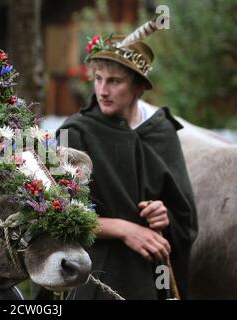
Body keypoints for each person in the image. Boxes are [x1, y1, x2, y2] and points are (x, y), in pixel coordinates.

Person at [56, 31, 198, 299]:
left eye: (114, 81)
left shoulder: (162, 131)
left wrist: (163, 214)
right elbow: (56, 215)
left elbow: (184, 219)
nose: (103, 90)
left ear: (139, 87)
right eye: (98, 79)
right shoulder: (75, 133)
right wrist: (123, 229)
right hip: (95, 276)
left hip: (151, 278)